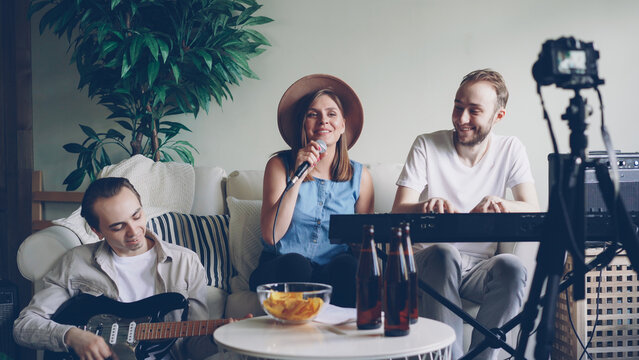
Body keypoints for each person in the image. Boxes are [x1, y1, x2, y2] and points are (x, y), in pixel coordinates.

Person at [392, 69, 540, 360]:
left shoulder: (510, 149)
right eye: (458, 107)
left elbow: (532, 207)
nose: (461, 119)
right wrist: (425, 206)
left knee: (512, 267)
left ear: (498, 116)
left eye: (474, 111)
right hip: (430, 261)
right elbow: (399, 210)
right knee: (444, 253)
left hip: (477, 269)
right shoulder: (427, 144)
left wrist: (502, 204)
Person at [14, 177, 227, 360]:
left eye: (136, 216)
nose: (134, 231)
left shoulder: (186, 263)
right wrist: (70, 335)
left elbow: (193, 348)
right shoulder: (76, 262)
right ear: (97, 231)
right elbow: (23, 326)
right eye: (118, 226)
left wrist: (216, 336)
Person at [249, 74, 374, 307]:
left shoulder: (361, 177)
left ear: (343, 125)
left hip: (332, 273)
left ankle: (345, 339)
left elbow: (363, 248)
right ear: (303, 124)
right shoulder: (279, 166)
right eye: (313, 114)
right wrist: (297, 174)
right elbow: (271, 235)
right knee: (296, 264)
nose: (323, 121)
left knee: (348, 266)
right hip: (283, 268)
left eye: (331, 114)